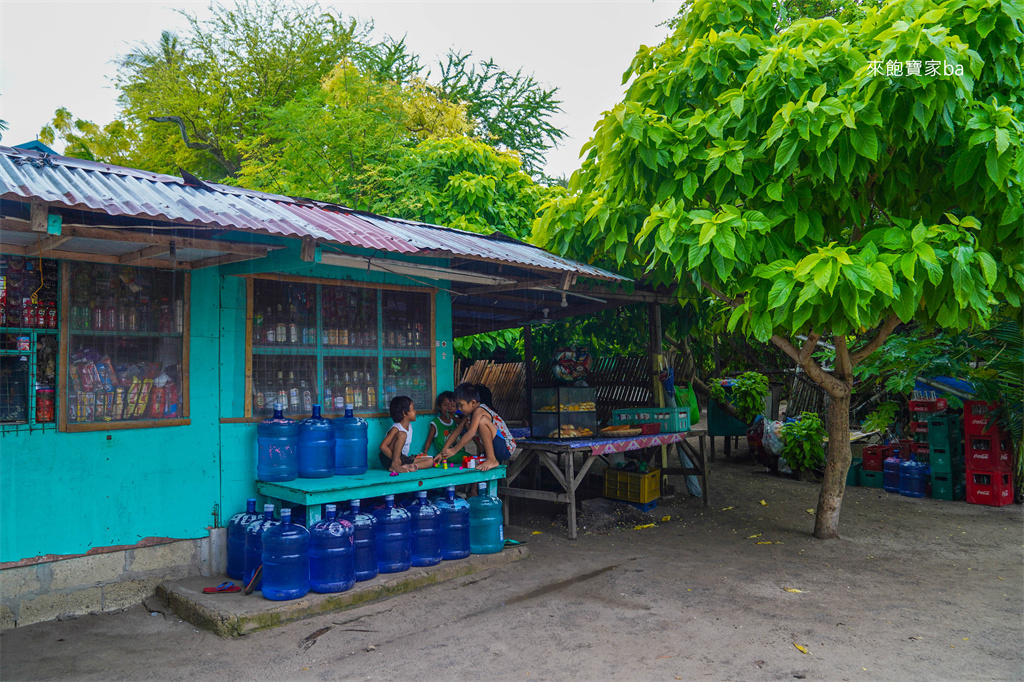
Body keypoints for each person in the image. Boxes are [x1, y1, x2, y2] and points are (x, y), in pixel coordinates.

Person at [440, 383, 516, 472]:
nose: (459, 409)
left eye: (461, 405)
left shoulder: (479, 410)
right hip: (496, 448)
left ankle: (491, 459)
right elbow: (457, 431)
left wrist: (453, 450)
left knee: (481, 421)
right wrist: (443, 452)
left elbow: (471, 433)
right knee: (469, 424)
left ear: (473, 403)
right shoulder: (469, 415)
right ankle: (488, 457)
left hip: (505, 448)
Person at [379, 396, 432, 473]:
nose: (415, 411)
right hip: (388, 458)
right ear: (404, 413)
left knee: (430, 461)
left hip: (401, 458)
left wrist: (401, 460)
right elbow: (382, 447)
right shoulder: (396, 428)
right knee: (402, 435)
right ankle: (395, 465)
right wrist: (396, 460)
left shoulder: (409, 426)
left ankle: (407, 467)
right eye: (413, 408)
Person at [418, 391, 467, 466]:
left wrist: (454, 418)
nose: (449, 408)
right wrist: (425, 452)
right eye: (445, 405)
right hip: (447, 455)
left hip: (459, 452)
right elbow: (429, 439)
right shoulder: (436, 423)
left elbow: (465, 426)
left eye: (453, 406)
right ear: (439, 407)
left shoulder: (456, 420)